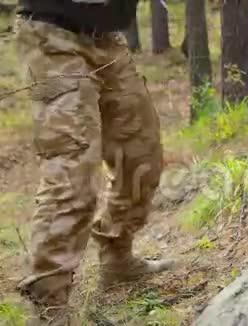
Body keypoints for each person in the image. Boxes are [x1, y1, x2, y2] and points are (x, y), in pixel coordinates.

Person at [13, 1, 174, 324]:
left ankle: (117, 257)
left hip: (108, 38)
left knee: (141, 155)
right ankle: (49, 305)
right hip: (51, 34)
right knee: (74, 167)